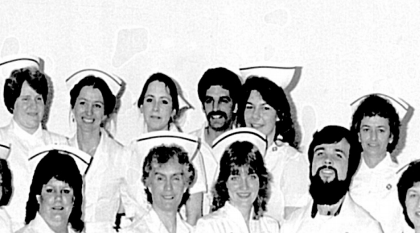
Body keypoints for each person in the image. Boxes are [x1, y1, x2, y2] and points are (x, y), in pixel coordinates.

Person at [0, 61, 64, 223]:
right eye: (25, 99)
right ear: (12, 103)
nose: (33, 106)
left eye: (38, 98)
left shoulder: (60, 143)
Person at [121, 74, 205, 223]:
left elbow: (194, 215)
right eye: (149, 100)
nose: (155, 108)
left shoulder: (189, 150)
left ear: (173, 111)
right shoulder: (129, 153)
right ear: (141, 107)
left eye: (164, 102)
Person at [65, 69, 128, 233]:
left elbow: (134, 210)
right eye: (83, 103)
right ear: (73, 107)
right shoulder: (61, 152)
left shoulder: (121, 155)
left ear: (106, 112)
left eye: (97, 105)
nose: (89, 112)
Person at [237, 71, 308, 222]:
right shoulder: (232, 154)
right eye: (249, 107)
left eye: (265, 108)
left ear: (279, 115)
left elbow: (294, 224)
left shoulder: (291, 160)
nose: (255, 116)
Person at [349, 93, 410, 233]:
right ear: (358, 135)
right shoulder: (345, 174)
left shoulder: (403, 178)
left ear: (391, 136)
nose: (373, 137)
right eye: (366, 129)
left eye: (381, 130)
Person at [191, 67, 242, 215]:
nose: (215, 108)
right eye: (209, 101)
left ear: (235, 106)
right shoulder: (188, 146)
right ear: (203, 106)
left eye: (223, 101)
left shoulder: (245, 147)